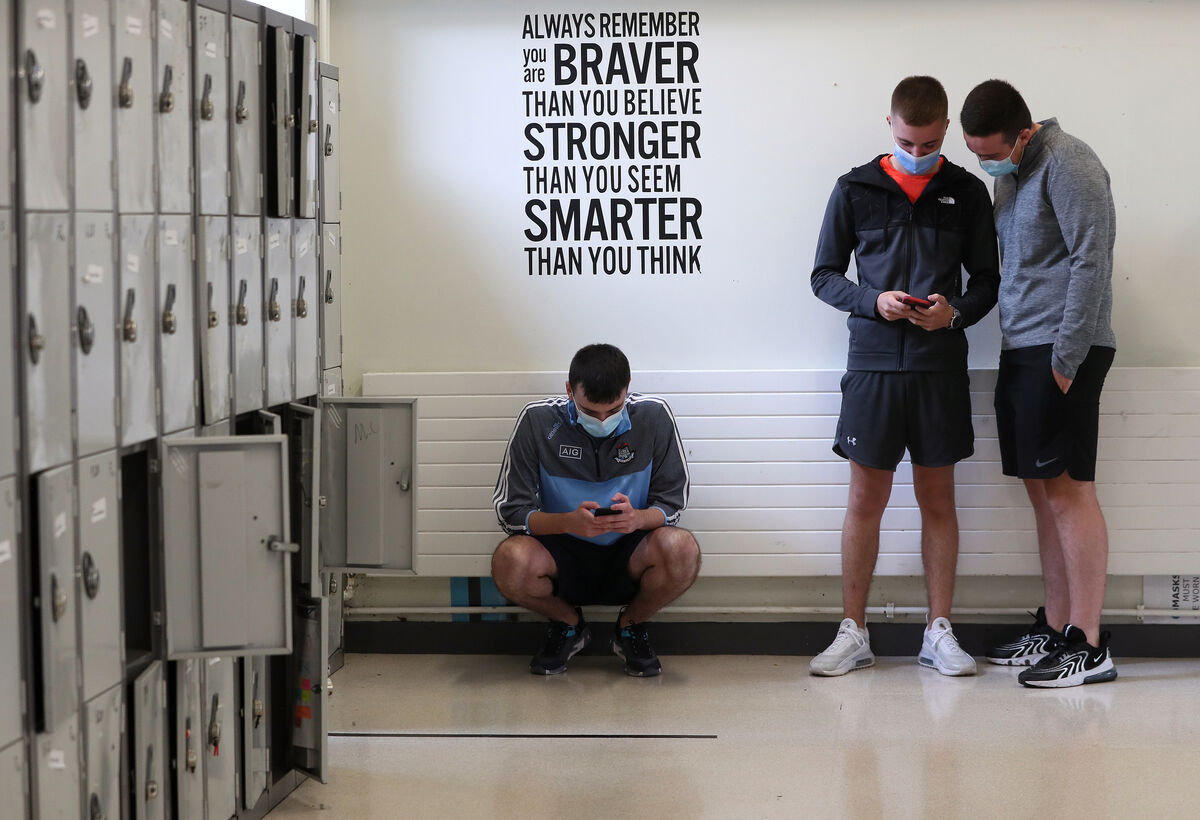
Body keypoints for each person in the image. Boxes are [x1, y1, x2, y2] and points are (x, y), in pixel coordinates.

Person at [809, 76, 1000, 677]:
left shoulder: (968, 192)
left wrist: (956, 313)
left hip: (938, 366)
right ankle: (853, 631)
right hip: (872, 366)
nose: (917, 152)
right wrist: (873, 301)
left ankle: (938, 631)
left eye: (926, 142)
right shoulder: (854, 188)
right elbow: (823, 276)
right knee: (865, 501)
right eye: (906, 140)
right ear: (889, 125)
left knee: (937, 501)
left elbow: (988, 282)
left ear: (945, 129)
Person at [961, 80, 1118, 688]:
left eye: (990, 151)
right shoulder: (1015, 173)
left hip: (1063, 352)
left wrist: (1066, 357)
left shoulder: (1069, 162)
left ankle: (1089, 642)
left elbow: (1090, 259)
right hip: (1023, 348)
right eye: (976, 153)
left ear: (1023, 133)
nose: (985, 162)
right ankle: (1056, 630)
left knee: (1070, 491)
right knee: (1041, 492)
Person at [490, 343, 700, 677]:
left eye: (613, 409)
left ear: (627, 391)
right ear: (569, 390)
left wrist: (637, 519)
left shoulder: (654, 416)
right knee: (509, 560)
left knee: (683, 548)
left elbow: (673, 501)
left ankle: (630, 627)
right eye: (590, 411)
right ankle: (569, 625)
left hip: (630, 549)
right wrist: (566, 523)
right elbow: (510, 511)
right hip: (562, 548)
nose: (602, 419)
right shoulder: (538, 420)